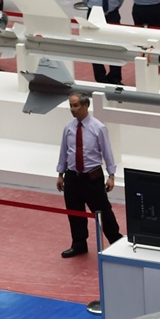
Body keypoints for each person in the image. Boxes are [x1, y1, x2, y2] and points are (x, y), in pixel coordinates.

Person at [55, 93, 122, 258]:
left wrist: (111, 175)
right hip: (72, 177)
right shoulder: (68, 128)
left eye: (76, 105)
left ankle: (116, 242)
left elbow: (107, 152)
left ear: (85, 106)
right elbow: (64, 151)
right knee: (74, 211)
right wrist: (60, 173)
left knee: (103, 212)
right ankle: (79, 243)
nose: (73, 109)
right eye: (71, 106)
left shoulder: (98, 128)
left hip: (92, 177)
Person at [80, 0, 127, 84]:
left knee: (116, 46)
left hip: (112, 14)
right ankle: (100, 78)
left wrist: (112, 8)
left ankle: (115, 77)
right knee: (95, 46)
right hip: (94, 15)